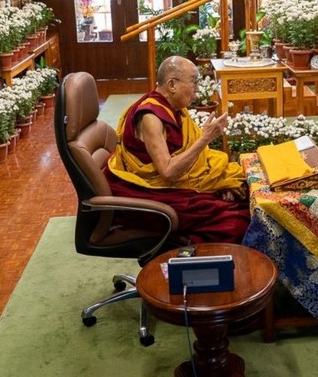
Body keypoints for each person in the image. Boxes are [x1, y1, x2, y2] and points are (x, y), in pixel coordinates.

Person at [106, 56, 250, 244]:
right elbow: (168, 172)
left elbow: (187, 156)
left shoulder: (173, 108)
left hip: (174, 186)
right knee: (237, 222)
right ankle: (198, 265)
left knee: (242, 194)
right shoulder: (151, 117)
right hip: (155, 193)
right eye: (193, 82)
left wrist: (217, 183)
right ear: (172, 84)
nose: (197, 88)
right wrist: (205, 138)